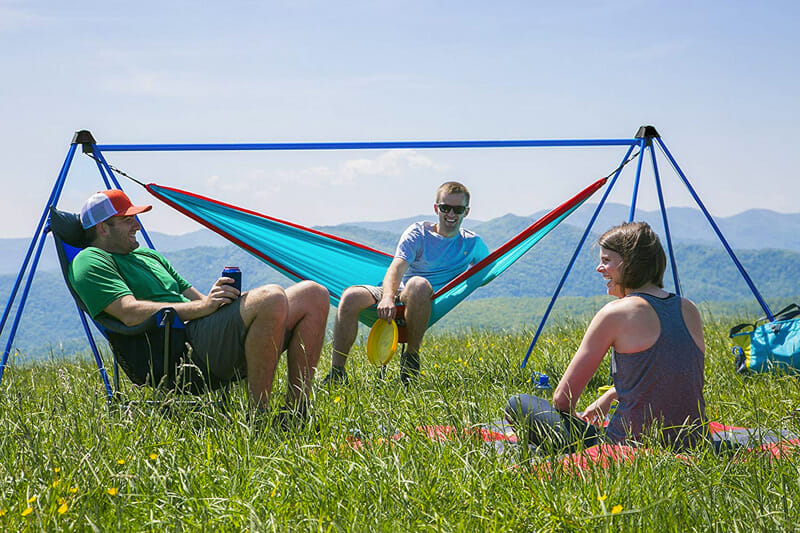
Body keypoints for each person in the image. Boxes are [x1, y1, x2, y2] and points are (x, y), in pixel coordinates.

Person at [68, 189, 329, 417]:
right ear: (103, 228)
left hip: (203, 330)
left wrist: (217, 300)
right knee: (271, 296)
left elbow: (199, 300)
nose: (137, 225)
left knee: (314, 294)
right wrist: (203, 309)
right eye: (127, 220)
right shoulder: (91, 261)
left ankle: (296, 411)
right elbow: (128, 312)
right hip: (176, 349)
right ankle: (258, 416)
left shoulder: (148, 256)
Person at [506, 221, 707, 452]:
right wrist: (612, 394)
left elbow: (562, 400)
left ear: (630, 263)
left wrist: (575, 423)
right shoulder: (688, 308)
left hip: (629, 447)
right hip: (693, 444)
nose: (599, 269)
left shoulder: (615, 312)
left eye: (606, 261)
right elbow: (671, 376)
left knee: (519, 404)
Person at [323, 181, 489, 385]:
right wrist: (386, 297)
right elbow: (397, 268)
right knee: (350, 297)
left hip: (431, 297)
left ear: (466, 212)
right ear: (436, 208)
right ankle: (337, 372)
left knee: (419, 284)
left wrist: (466, 286)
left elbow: (487, 271)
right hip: (399, 290)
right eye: (445, 208)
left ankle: (411, 358)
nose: (451, 214)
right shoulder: (418, 233)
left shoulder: (472, 244)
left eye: (458, 209)